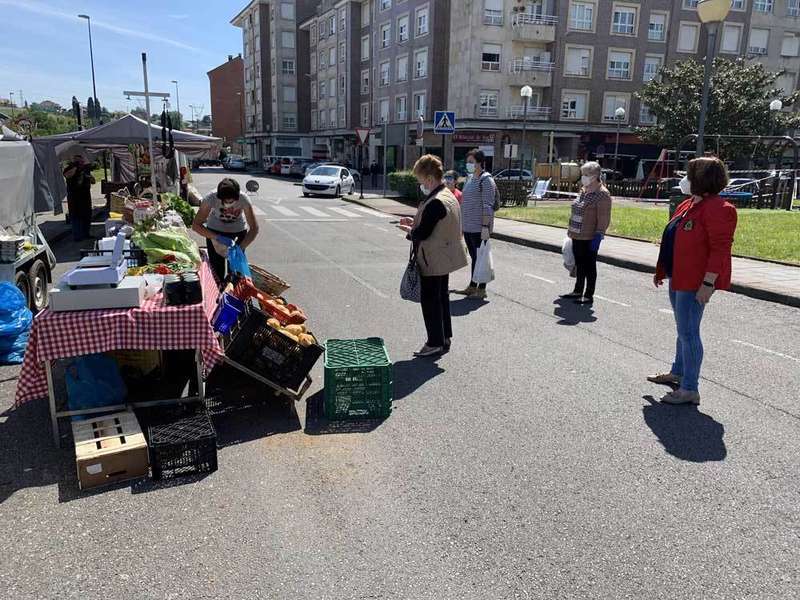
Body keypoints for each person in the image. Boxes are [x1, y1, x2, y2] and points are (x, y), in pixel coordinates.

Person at [648, 157, 737, 406]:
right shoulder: (688, 204)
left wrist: (708, 284)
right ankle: (678, 372)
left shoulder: (720, 209)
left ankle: (690, 388)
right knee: (682, 330)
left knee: (689, 333)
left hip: (695, 282)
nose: (685, 179)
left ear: (702, 179)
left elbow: (720, 250)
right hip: (678, 276)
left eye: (690, 174)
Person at [398, 155, 468, 358]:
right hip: (443, 256)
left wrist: (410, 229)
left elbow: (424, 232)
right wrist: (414, 222)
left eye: (420, 179)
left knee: (430, 301)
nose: (420, 183)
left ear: (429, 178)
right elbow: (436, 225)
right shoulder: (447, 194)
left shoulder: (436, 201)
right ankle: (444, 337)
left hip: (433, 258)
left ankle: (434, 342)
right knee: (441, 298)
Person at [560, 161, 612, 305]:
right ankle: (577, 290)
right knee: (579, 264)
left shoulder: (602, 195)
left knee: (589, 265)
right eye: (583, 174)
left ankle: (588, 295)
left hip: (590, 236)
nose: (584, 177)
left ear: (595, 176)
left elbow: (604, 217)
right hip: (576, 234)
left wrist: (599, 234)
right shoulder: (584, 190)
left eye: (587, 175)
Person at [192, 178, 260, 283]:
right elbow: (196, 225)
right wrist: (216, 237)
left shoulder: (243, 199)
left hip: (238, 232)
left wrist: (240, 247)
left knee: (235, 271)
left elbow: (254, 228)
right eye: (225, 201)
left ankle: (232, 291)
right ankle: (218, 291)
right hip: (215, 231)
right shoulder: (210, 198)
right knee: (216, 268)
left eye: (232, 201)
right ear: (220, 197)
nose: (228, 203)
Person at [453, 149, 497, 300]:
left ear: (480, 163)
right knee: (475, 257)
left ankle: (482, 289)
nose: (469, 164)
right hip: (469, 226)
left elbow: (488, 205)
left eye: (472, 162)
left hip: (480, 227)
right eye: (468, 162)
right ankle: (472, 286)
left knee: (481, 258)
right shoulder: (470, 178)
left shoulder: (486, 180)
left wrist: (485, 227)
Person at [63, 154, 95, 241]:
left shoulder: (85, 170)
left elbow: (93, 181)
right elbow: (67, 175)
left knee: (87, 215)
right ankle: (77, 236)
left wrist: (88, 176)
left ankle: (86, 233)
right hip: (74, 197)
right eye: (78, 161)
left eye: (81, 161)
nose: (81, 163)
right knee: (76, 216)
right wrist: (75, 167)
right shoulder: (69, 169)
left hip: (85, 196)